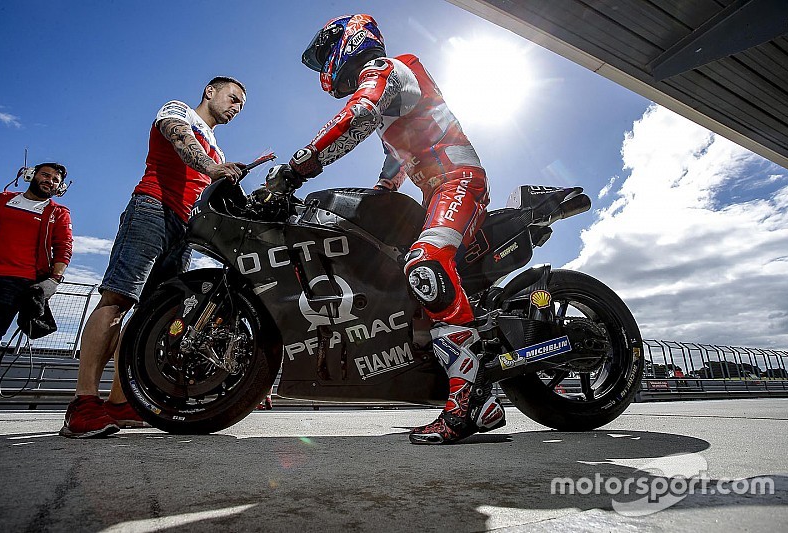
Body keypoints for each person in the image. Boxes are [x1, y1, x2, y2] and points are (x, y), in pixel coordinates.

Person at [266, 14, 505, 444]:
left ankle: (467, 400)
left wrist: (296, 169)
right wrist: (379, 190)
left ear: (348, 41)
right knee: (401, 275)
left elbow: (357, 115)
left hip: (458, 180)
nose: (326, 67)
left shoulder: (388, 69)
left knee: (425, 264)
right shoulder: (398, 98)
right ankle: (478, 398)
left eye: (326, 53)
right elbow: (395, 163)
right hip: (436, 191)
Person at [60, 76, 247, 438]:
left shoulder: (220, 152)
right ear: (211, 91)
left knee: (150, 316)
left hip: (185, 230)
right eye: (233, 98)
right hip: (152, 210)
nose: (236, 107)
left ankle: (120, 403)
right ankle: (83, 405)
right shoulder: (179, 111)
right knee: (118, 298)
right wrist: (212, 169)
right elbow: (179, 137)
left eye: (241, 105)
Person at [0, 163, 73, 358]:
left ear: (59, 188)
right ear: (30, 175)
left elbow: (64, 248)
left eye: (55, 180)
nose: (49, 181)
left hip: (18, 283)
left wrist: (54, 280)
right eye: (45, 175)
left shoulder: (58, 213)